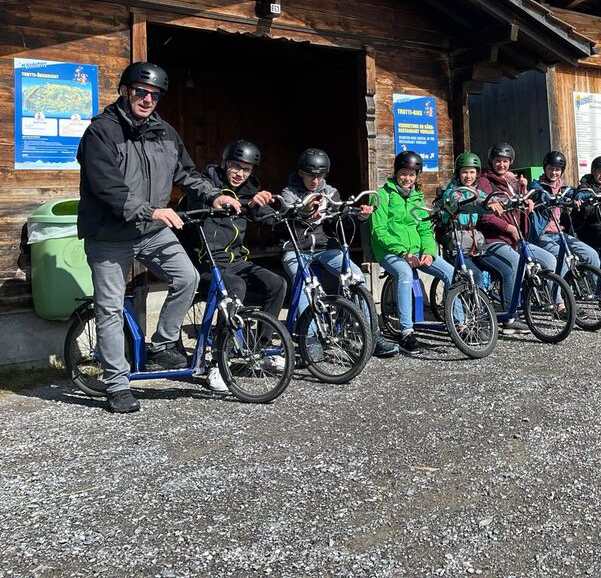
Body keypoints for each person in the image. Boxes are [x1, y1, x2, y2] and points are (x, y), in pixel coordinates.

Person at [77, 61, 239, 414]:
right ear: (125, 91)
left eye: (155, 95)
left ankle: (163, 345)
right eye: (141, 92)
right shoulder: (101, 132)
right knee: (109, 307)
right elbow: (107, 188)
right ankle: (116, 385)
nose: (148, 99)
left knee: (187, 277)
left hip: (151, 231)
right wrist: (152, 211)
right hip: (109, 234)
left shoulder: (164, 132)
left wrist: (215, 195)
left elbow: (186, 173)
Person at [181, 139, 288, 391]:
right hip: (206, 264)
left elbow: (262, 215)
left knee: (277, 283)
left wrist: (277, 211)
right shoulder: (205, 185)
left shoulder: (248, 190)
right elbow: (197, 204)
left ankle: (259, 349)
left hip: (236, 262)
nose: (240, 173)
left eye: (246, 169)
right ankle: (218, 362)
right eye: (235, 166)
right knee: (235, 287)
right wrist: (229, 203)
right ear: (224, 163)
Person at [279, 147, 399, 358]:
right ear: (301, 173)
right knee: (306, 284)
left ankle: (372, 333)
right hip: (297, 248)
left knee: (357, 276)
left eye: (320, 176)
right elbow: (286, 216)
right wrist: (304, 210)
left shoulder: (331, 192)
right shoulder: (289, 193)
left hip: (326, 248)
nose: (315, 181)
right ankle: (310, 338)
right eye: (311, 176)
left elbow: (340, 222)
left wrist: (358, 216)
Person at [371, 150, 456, 353]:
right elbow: (378, 231)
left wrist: (429, 251)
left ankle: (458, 324)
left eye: (411, 175)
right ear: (396, 172)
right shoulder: (382, 195)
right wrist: (403, 253)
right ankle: (406, 332)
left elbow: (425, 229)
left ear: (417, 176)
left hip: (417, 251)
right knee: (405, 273)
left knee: (451, 273)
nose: (407, 178)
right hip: (390, 252)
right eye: (403, 173)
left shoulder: (417, 198)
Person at [438, 152, 524, 335]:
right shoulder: (452, 193)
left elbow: (494, 198)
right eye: (464, 172)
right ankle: (478, 322)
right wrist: (485, 204)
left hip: (477, 246)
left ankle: (510, 316)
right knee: (475, 276)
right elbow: (467, 203)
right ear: (458, 173)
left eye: (472, 172)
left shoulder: (478, 191)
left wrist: (517, 201)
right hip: (458, 247)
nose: (468, 176)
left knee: (507, 269)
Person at [476, 142, 560, 318]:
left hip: (515, 240)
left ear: (511, 162)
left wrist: (525, 195)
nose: (501, 164)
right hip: (493, 240)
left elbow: (516, 209)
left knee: (549, 259)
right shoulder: (485, 182)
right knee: (514, 263)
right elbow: (484, 216)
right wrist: (508, 228)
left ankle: (556, 303)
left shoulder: (512, 181)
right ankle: (510, 315)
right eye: (498, 160)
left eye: (505, 161)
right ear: (491, 161)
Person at [530, 150, 601, 271]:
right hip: (542, 235)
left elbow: (577, 194)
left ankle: (598, 284)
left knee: (591, 255)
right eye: (550, 169)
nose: (554, 172)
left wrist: (596, 196)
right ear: (545, 168)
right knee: (562, 258)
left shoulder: (563, 188)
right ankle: (561, 284)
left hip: (560, 233)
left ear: (562, 171)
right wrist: (556, 199)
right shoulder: (536, 186)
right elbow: (542, 196)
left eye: (557, 169)